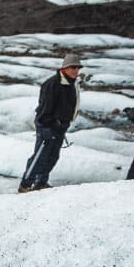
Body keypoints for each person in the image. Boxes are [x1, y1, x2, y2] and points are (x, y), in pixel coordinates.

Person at [18, 53, 82, 192]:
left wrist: (63, 123)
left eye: (78, 68)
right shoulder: (53, 84)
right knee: (40, 157)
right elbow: (44, 107)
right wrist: (46, 126)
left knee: (52, 157)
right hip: (48, 126)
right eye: (73, 67)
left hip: (60, 127)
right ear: (64, 68)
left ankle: (41, 183)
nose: (76, 70)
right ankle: (25, 185)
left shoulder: (71, 83)